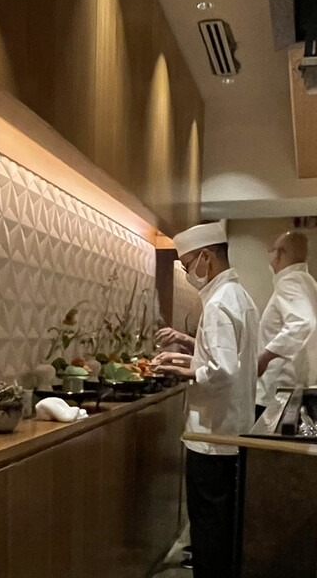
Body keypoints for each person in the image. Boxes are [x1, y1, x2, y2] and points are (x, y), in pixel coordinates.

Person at [154, 222, 259, 578]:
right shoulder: (238, 296)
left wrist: (183, 370)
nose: (188, 274)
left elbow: (221, 370)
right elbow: (229, 359)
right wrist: (188, 355)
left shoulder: (218, 303)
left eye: (187, 265)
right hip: (232, 430)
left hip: (212, 437)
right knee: (223, 528)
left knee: (209, 528)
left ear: (206, 258)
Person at [256, 231, 317, 419]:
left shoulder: (290, 281)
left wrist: (265, 357)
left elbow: (303, 322)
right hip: (296, 390)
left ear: (279, 254)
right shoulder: (308, 282)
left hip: (279, 392)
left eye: (272, 250)